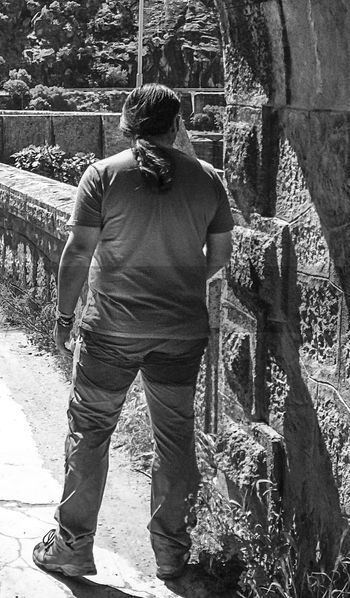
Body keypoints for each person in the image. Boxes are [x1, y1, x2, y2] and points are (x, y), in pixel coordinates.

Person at [32, 83, 235, 581]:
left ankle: (73, 546)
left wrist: (62, 318)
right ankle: (171, 554)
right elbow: (221, 258)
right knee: (174, 438)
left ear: (126, 125)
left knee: (91, 431)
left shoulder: (102, 176)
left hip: (111, 333)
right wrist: (180, 278)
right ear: (177, 125)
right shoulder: (208, 179)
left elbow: (78, 253)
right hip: (181, 333)